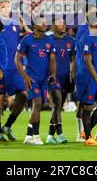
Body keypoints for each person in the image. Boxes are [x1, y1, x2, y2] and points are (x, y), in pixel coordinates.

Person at [16, 16, 56, 145]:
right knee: (37, 103)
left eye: (45, 22)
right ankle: (36, 136)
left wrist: (53, 74)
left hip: (43, 80)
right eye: (41, 23)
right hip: (31, 78)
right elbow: (17, 59)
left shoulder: (50, 41)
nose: (44, 24)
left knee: (38, 106)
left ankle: (28, 135)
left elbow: (52, 59)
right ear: (34, 26)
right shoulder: (26, 40)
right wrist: (24, 76)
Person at [0, 0, 28, 142]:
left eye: (10, 7)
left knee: (24, 95)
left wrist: (23, 62)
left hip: (15, 69)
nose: (9, 9)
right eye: (6, 7)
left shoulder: (14, 24)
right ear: (0, 8)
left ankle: (7, 125)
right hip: (2, 68)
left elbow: (18, 46)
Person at [76, 9, 97, 146]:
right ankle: (89, 137)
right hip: (88, 76)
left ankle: (86, 131)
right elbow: (87, 61)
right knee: (88, 106)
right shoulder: (86, 37)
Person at [46, 18, 75, 144]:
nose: (63, 25)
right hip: (53, 77)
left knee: (59, 106)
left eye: (64, 23)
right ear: (53, 26)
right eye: (59, 23)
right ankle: (60, 133)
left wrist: (72, 76)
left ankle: (50, 135)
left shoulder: (70, 41)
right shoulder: (48, 40)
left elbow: (73, 60)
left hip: (65, 78)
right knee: (57, 102)